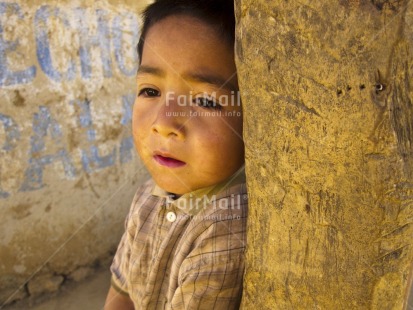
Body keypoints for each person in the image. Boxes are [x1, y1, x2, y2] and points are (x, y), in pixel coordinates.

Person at [104, 0, 247, 308]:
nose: (165, 124)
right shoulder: (147, 197)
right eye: (150, 91)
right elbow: (122, 293)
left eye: (206, 102)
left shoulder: (227, 225)